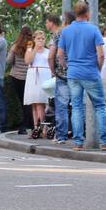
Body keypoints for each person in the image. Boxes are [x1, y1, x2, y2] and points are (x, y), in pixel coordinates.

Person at [59, 1, 106, 150]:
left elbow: (60, 54)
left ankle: (78, 142)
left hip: (73, 73)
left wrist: (67, 66)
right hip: (90, 72)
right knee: (100, 106)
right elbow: (101, 55)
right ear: (87, 13)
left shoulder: (66, 31)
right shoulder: (93, 30)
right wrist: (98, 69)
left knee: (76, 107)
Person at [45, 12, 74, 143]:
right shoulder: (84, 32)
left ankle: (61, 136)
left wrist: (53, 71)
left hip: (63, 74)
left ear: (65, 21)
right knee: (79, 106)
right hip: (81, 73)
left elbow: (51, 56)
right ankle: (80, 135)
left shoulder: (59, 34)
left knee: (61, 106)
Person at [23, 30, 52, 138]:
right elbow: (28, 61)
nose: (40, 41)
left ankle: (44, 127)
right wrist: (35, 48)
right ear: (34, 40)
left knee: (41, 103)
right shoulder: (30, 49)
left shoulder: (48, 51)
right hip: (33, 76)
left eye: (42, 38)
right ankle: (36, 127)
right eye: (38, 39)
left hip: (44, 76)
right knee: (34, 104)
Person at [6, 26, 33, 134]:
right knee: (29, 102)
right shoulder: (31, 45)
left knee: (22, 101)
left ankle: (24, 125)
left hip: (16, 77)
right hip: (29, 77)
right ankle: (30, 123)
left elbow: (9, 61)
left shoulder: (15, 46)